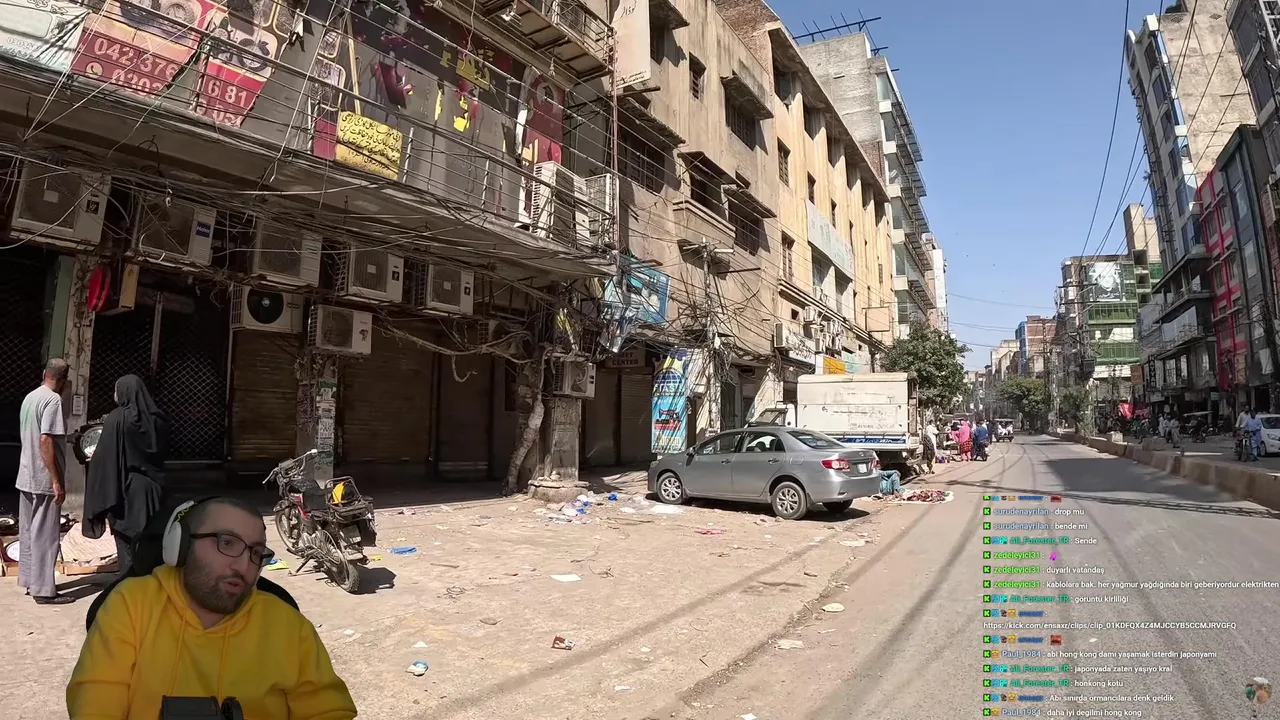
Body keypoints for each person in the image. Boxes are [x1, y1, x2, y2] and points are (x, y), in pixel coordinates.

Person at [66, 497, 357, 719]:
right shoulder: (130, 605)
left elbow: (328, 711)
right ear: (181, 546)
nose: (243, 566)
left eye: (255, 553)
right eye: (227, 543)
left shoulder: (289, 627)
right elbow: (96, 703)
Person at [83, 374, 169, 574]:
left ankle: (129, 588)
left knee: (127, 550)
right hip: (154, 490)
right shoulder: (159, 420)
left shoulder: (118, 418)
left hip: (126, 492)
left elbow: (105, 457)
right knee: (151, 545)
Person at [17, 358, 71, 605]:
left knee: (29, 532)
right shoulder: (53, 400)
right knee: (46, 535)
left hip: (26, 474)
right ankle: (43, 590)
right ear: (63, 380)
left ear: (44, 373)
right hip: (43, 478)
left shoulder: (31, 397)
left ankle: (29, 581)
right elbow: (45, 439)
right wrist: (56, 480)